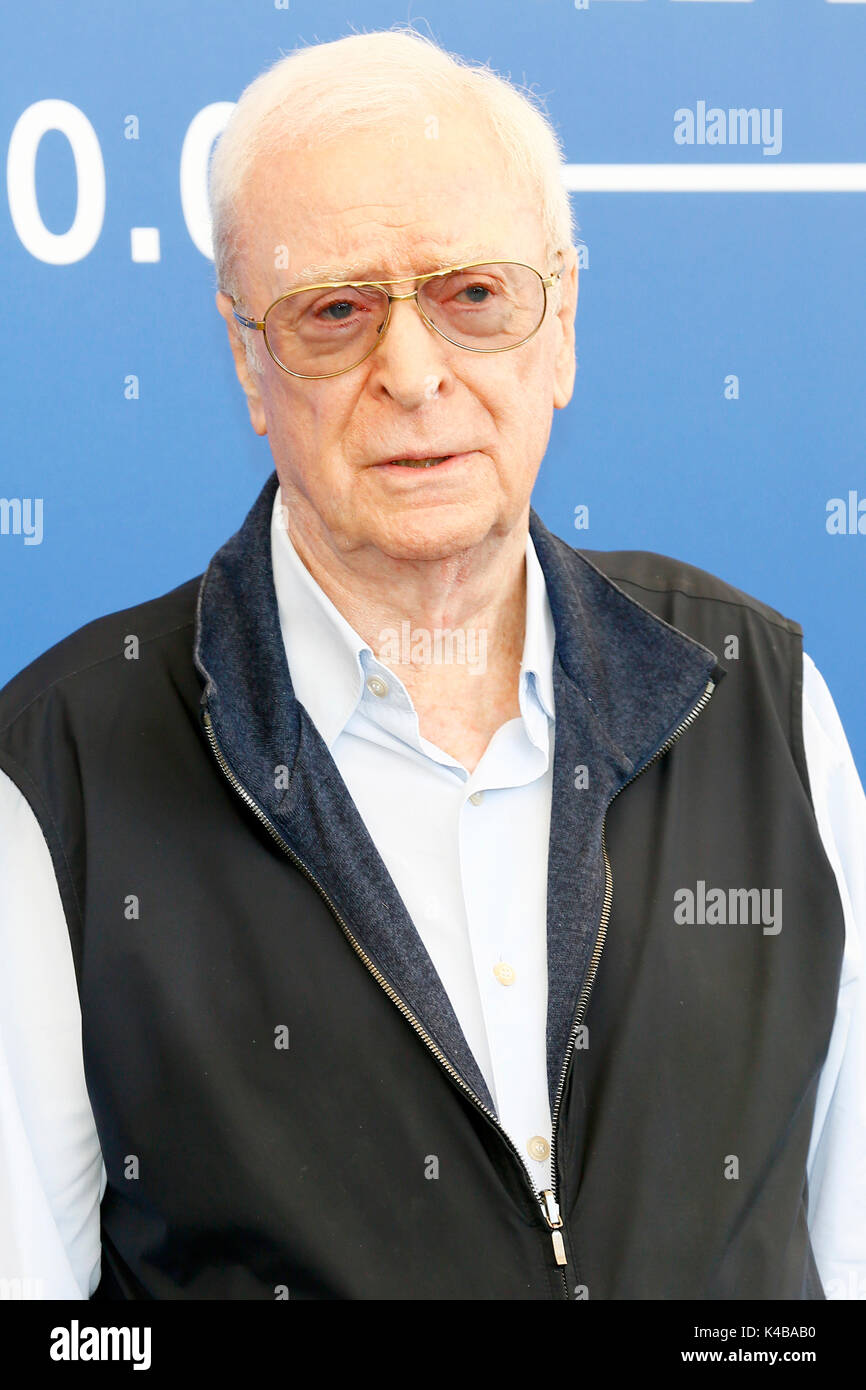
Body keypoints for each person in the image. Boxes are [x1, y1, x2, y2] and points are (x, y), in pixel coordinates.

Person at [0, 27, 864, 1302]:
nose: (412, 374)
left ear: (558, 325)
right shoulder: (57, 774)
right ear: (247, 359)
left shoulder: (760, 698)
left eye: (473, 296)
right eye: (335, 312)